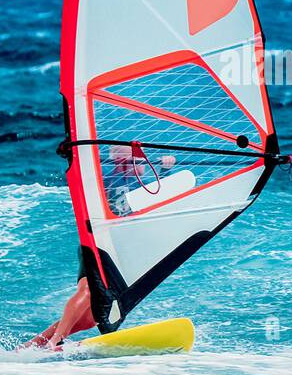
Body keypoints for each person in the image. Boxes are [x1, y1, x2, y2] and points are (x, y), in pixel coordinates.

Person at [23, 145, 178, 350]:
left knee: (91, 317)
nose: (145, 164)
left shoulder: (138, 183)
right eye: (140, 160)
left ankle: (31, 346)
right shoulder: (110, 180)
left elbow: (165, 198)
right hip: (99, 246)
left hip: (115, 250)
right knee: (87, 291)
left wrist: (166, 170)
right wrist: (166, 170)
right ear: (123, 163)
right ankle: (55, 341)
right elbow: (161, 191)